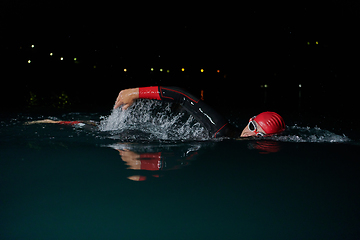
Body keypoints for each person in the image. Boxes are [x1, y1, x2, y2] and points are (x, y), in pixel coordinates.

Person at [114, 86, 285, 138]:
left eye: (260, 136)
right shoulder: (220, 128)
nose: (251, 134)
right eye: (252, 126)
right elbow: (183, 97)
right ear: (250, 120)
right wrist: (134, 93)